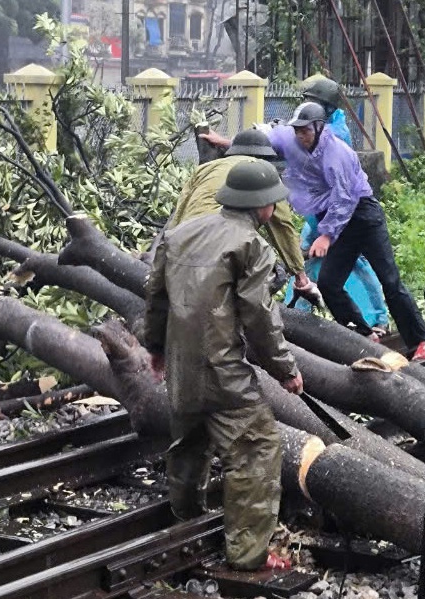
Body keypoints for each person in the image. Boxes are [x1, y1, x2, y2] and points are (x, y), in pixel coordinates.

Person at [144, 160, 303, 571]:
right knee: (256, 447)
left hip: (181, 367)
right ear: (263, 207)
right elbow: (260, 318)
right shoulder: (252, 246)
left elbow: (156, 296)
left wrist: (156, 348)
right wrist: (285, 369)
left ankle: (184, 520)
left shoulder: (178, 234)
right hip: (224, 371)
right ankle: (249, 555)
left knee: (188, 441)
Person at [265, 102, 425, 358]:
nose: (301, 136)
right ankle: (363, 334)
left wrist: (326, 235)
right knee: (328, 283)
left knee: (389, 280)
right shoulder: (296, 142)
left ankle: (422, 342)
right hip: (340, 225)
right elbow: (267, 136)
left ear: (319, 127)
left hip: (363, 218)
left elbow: (345, 198)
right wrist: (225, 143)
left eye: (306, 131)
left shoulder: (337, 153)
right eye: (298, 131)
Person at [168, 128, 316, 296]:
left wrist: (168, 248)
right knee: (269, 270)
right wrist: (301, 277)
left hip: (183, 243)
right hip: (223, 247)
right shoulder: (265, 173)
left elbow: (180, 209)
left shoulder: (205, 169)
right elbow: (282, 226)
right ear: (265, 157)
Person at [285, 214, 390, 335]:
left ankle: (377, 320)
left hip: (344, 222)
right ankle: (294, 319)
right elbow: (302, 254)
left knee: (358, 267)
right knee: (304, 275)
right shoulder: (311, 225)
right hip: (319, 226)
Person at [300, 75, 353, 146]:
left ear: (329, 108)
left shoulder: (337, 134)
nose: (309, 107)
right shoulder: (322, 124)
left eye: (313, 102)